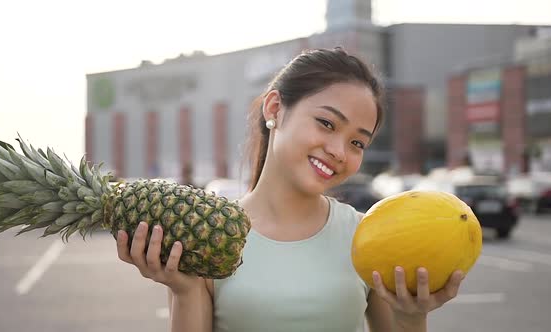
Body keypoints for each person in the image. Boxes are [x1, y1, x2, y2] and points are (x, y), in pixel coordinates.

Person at [116, 47, 465, 332]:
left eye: (358, 142)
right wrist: (185, 289)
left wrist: (412, 317)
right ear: (275, 109)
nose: (338, 151)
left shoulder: (367, 236)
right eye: (326, 123)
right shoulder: (209, 238)